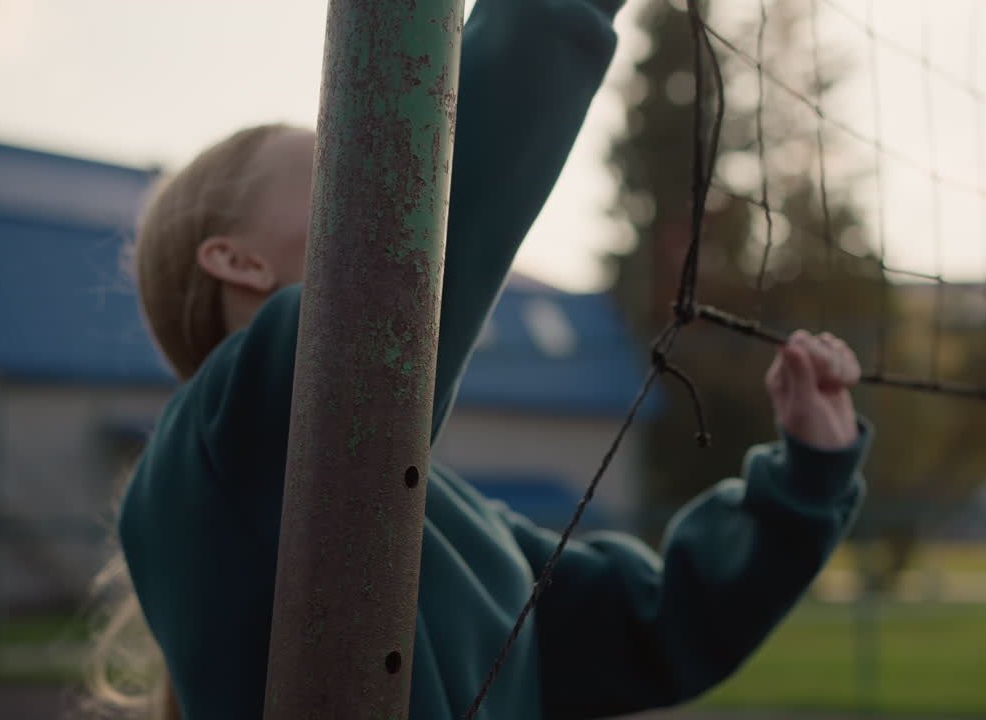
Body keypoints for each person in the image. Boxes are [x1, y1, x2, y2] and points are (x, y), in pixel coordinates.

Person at [89, 0, 874, 718]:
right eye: (339, 163)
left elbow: (656, 625)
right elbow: (404, 227)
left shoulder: (455, 524)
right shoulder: (207, 450)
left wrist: (804, 483)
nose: (383, 168)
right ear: (236, 260)